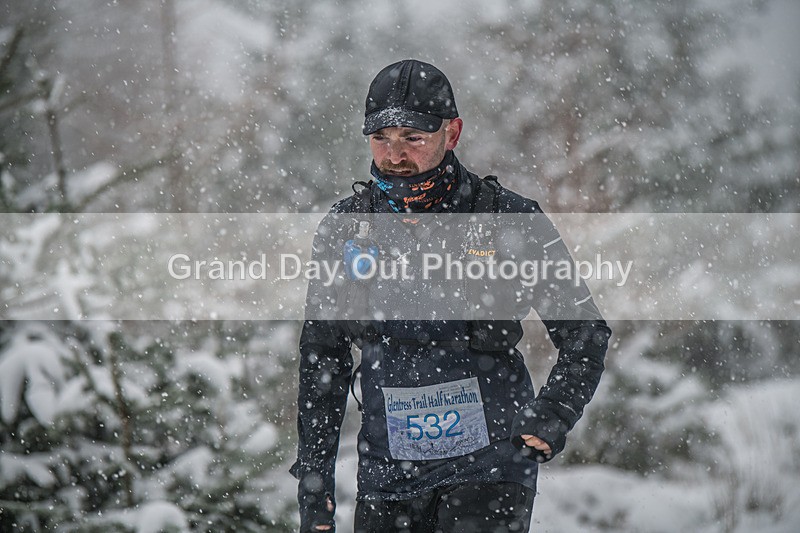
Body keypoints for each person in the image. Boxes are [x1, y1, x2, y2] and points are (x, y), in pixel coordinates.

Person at [290, 59, 611, 533]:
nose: (394, 154)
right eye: (381, 138)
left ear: (452, 132)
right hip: (388, 474)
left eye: (413, 138)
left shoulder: (509, 218)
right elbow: (324, 359)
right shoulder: (346, 229)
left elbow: (585, 332)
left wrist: (553, 414)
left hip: (491, 465)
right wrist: (314, 487)